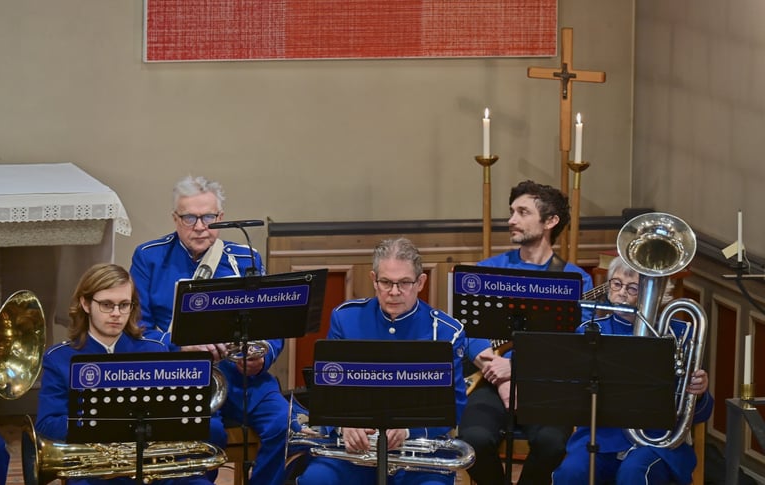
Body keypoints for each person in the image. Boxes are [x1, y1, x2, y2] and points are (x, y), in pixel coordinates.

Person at [130, 175, 288, 485]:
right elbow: (137, 329)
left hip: (240, 377)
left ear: (221, 218)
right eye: (190, 218)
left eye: (209, 217)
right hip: (183, 378)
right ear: (175, 219)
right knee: (203, 435)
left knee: (284, 425)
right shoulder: (149, 257)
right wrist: (179, 346)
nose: (200, 226)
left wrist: (262, 356)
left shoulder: (245, 258)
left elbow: (272, 325)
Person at [296, 237, 468, 485]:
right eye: (386, 282)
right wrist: (343, 426)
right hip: (354, 451)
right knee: (316, 480)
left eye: (404, 283)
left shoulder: (446, 332)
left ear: (421, 282)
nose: (394, 292)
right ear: (374, 280)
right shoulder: (346, 318)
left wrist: (408, 430)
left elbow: (455, 405)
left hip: (418, 454)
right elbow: (328, 393)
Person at [35, 263, 223, 485]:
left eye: (124, 305)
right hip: (96, 471)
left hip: (156, 467)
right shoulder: (59, 358)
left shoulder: (154, 350)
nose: (116, 314)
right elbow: (47, 424)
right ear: (85, 304)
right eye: (106, 305)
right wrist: (100, 425)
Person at [458, 179, 594, 485]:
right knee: (472, 440)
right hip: (490, 379)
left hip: (545, 384)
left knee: (552, 443)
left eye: (522, 212)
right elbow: (468, 330)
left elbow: (575, 347)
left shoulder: (575, 279)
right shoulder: (488, 269)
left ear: (550, 221)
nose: (511, 220)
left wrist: (517, 370)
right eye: (511, 212)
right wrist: (502, 376)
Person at [551, 256, 713, 485]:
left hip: (657, 443)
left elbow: (699, 414)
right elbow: (572, 397)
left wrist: (699, 391)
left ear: (659, 293)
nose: (621, 293)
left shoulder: (680, 333)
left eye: (632, 288)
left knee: (634, 472)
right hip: (602, 438)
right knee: (571, 472)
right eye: (616, 284)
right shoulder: (591, 331)